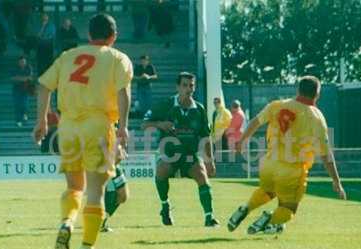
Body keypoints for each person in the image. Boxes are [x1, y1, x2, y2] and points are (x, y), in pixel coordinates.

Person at [33, 13, 133, 249]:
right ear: (113, 36)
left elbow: (44, 86)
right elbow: (123, 94)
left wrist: (42, 120)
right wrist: (123, 127)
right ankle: (87, 248)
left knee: (74, 187)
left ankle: (67, 222)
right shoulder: (118, 58)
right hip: (98, 126)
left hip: (67, 127)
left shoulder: (68, 56)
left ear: (88, 35)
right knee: (96, 191)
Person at [227, 76, 346, 235]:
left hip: (269, 163)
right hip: (292, 169)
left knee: (267, 191)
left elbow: (255, 121)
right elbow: (326, 154)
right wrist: (336, 181)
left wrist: (242, 141)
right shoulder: (317, 118)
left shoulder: (278, 105)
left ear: (298, 89)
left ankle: (245, 208)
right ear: (317, 95)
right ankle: (269, 219)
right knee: (290, 207)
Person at [142, 72, 219, 227]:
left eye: (191, 85)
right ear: (177, 87)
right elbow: (144, 124)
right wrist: (160, 124)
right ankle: (165, 206)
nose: (188, 89)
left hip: (190, 156)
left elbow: (205, 137)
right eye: (185, 85)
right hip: (169, 154)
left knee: (203, 177)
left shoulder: (200, 109)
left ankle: (209, 217)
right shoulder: (166, 105)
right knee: (161, 170)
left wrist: (210, 161)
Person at [101, 145, 129, 232]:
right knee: (109, 195)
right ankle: (99, 223)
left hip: (115, 167)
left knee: (123, 196)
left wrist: (121, 150)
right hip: (105, 166)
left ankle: (102, 221)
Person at [12, 56, 33, 127]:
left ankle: (24, 117)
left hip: (25, 89)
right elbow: (13, 78)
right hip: (16, 89)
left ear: (26, 62)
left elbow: (30, 78)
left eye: (23, 62)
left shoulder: (28, 68)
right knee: (17, 105)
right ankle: (18, 121)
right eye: (21, 62)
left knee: (25, 104)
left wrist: (19, 78)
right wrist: (24, 79)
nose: (22, 63)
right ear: (18, 62)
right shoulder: (15, 69)